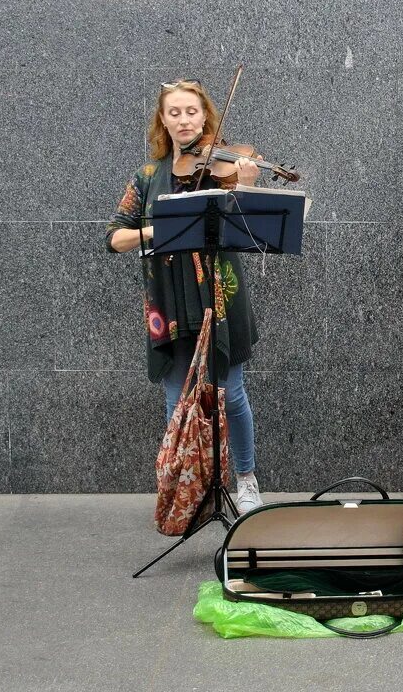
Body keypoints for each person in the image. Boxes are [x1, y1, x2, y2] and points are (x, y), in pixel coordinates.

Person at [106, 79, 264, 515]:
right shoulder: (147, 176)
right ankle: (189, 489)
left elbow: (252, 227)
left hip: (219, 293)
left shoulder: (223, 166)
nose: (183, 120)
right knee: (178, 401)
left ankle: (246, 480)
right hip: (170, 301)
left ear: (205, 116)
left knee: (230, 394)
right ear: (163, 119)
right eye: (174, 112)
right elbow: (115, 237)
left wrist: (245, 188)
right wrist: (158, 230)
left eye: (191, 112)